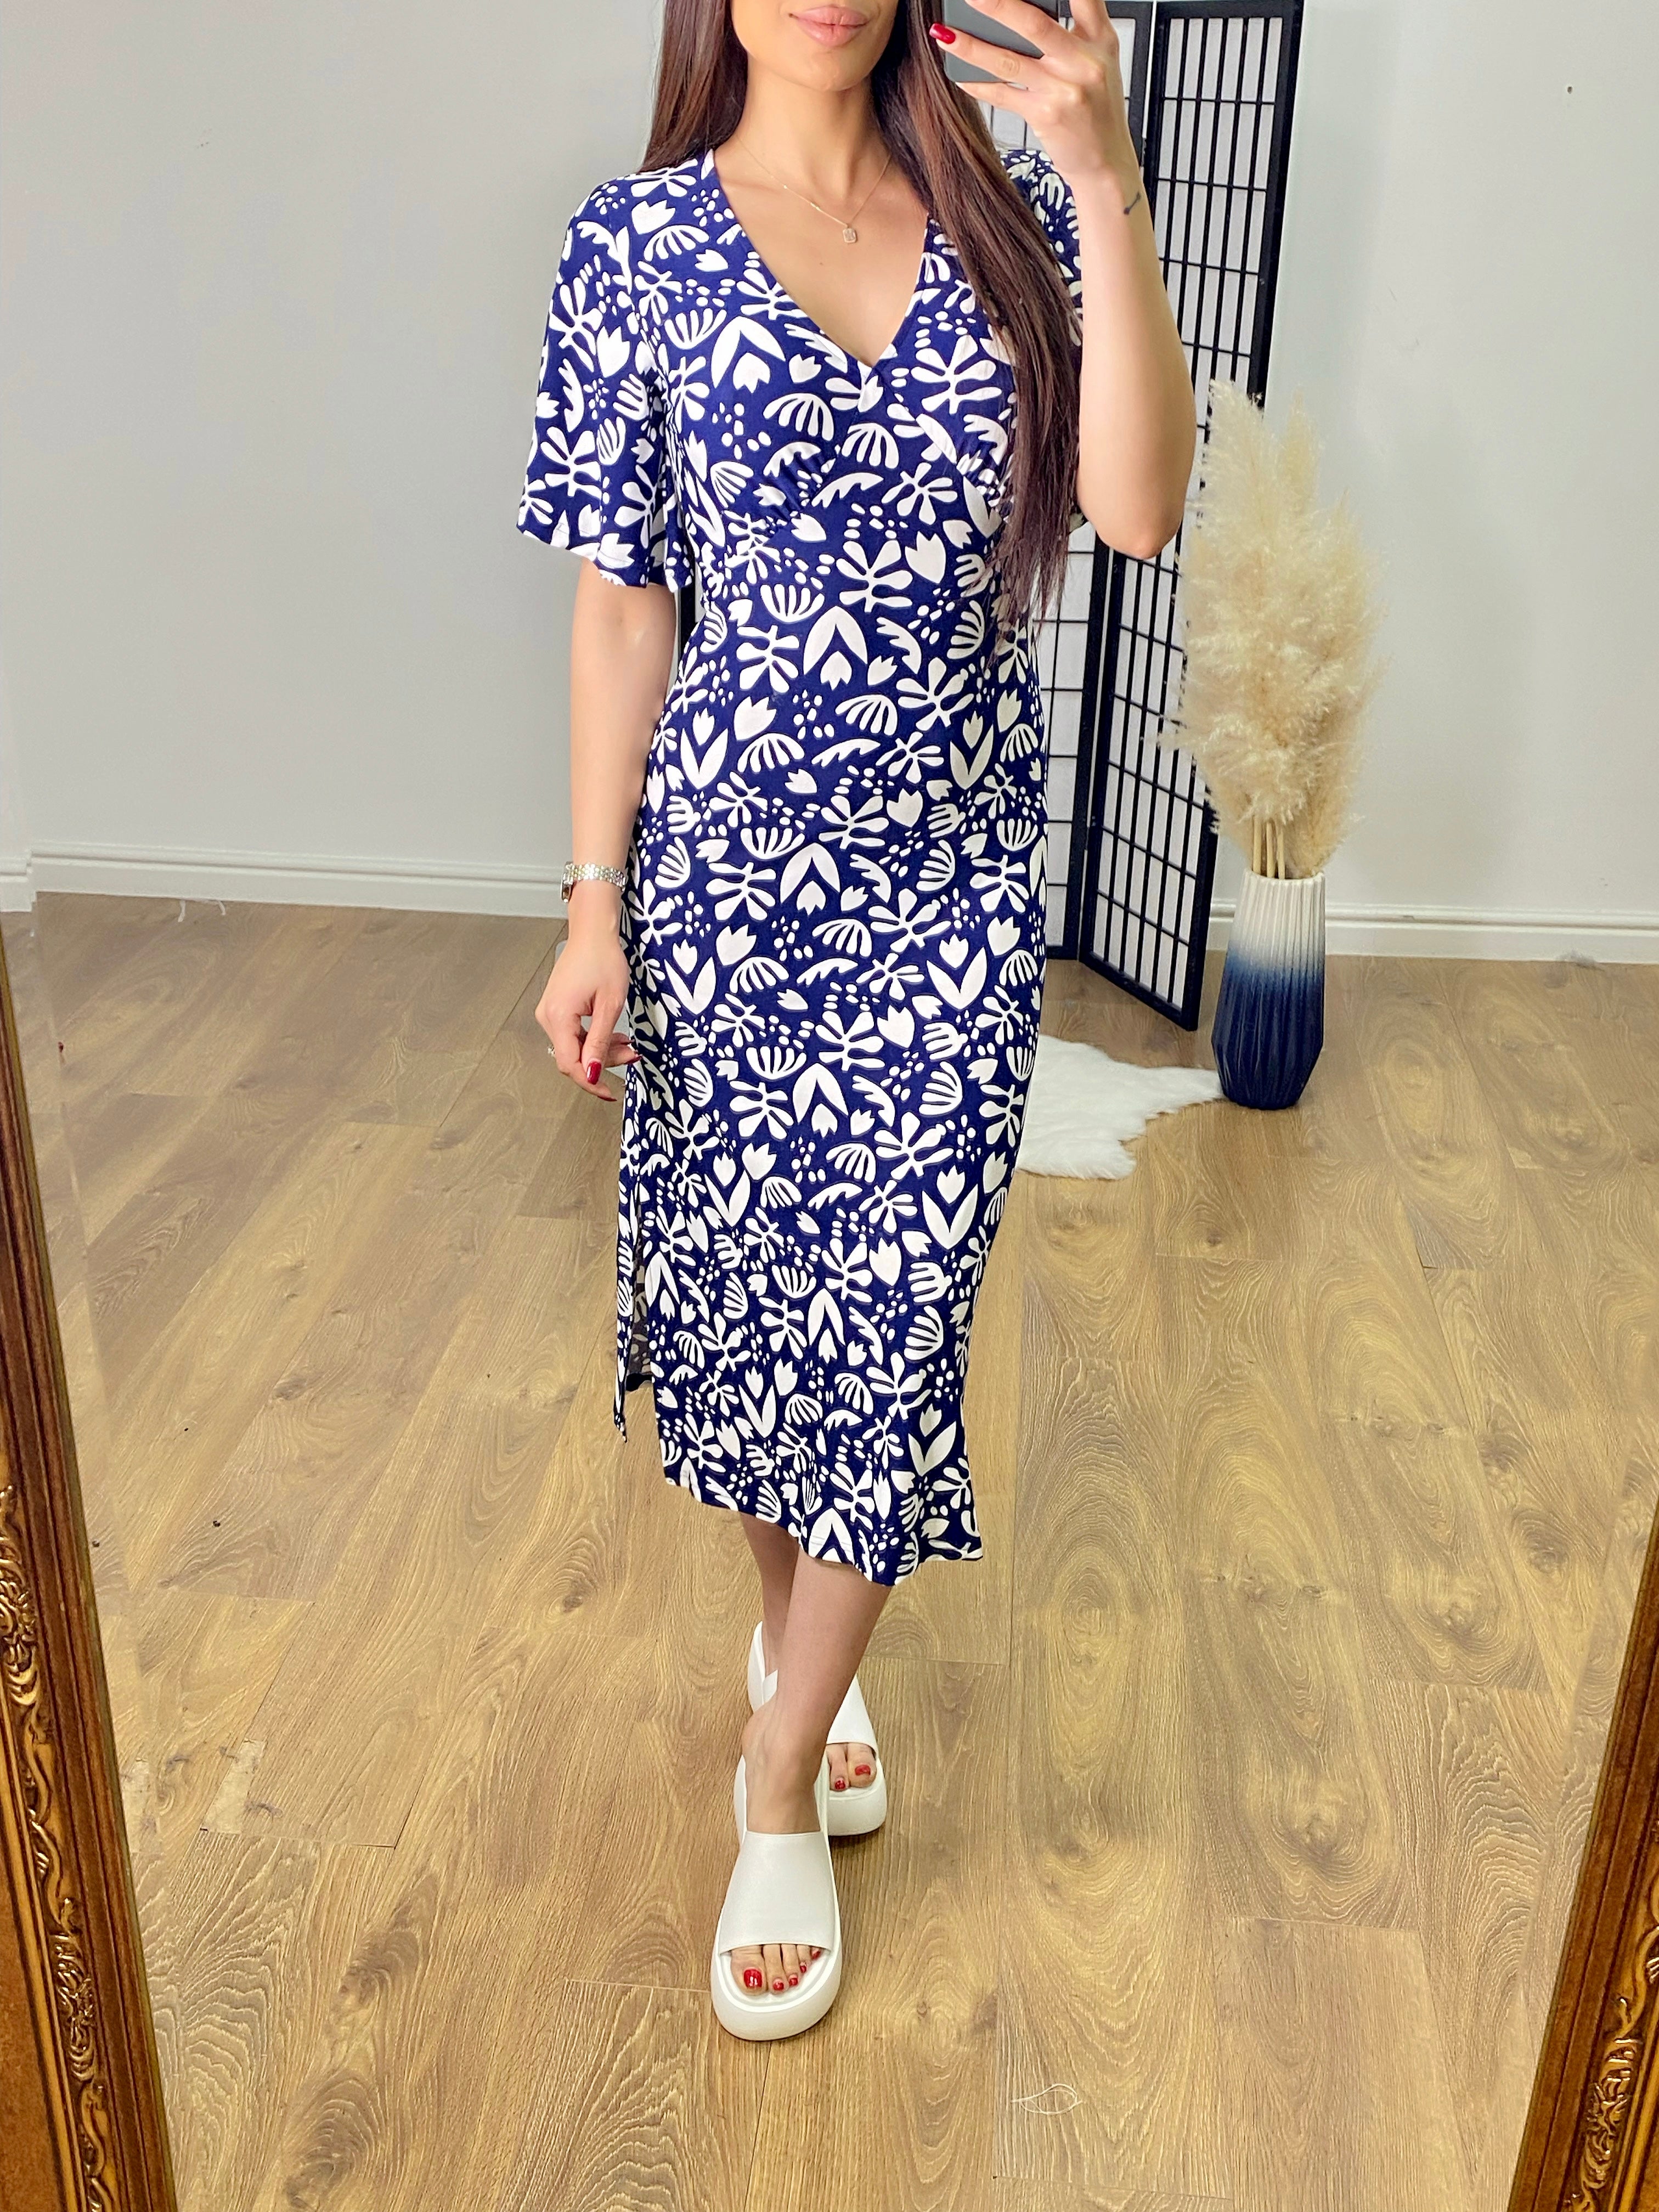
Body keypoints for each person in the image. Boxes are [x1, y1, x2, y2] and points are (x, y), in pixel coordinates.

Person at [518, 0, 1193, 2040]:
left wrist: (1107, 174)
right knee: (748, 1337)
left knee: (892, 1333)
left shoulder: (1017, 219)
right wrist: (592, 904)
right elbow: (624, 601)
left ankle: (780, 1770)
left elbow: (1139, 511)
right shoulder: (635, 243)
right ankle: (796, 1649)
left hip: (955, 890)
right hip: (722, 887)